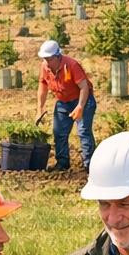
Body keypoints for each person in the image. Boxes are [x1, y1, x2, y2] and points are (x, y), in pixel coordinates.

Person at [35, 40, 96, 171]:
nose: (47, 62)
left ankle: (90, 165)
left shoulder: (71, 65)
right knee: (59, 132)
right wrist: (40, 108)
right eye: (45, 59)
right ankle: (62, 163)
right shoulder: (45, 67)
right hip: (63, 102)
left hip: (82, 100)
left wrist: (80, 107)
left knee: (83, 131)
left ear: (58, 56)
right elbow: (43, 85)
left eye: (49, 59)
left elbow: (84, 87)